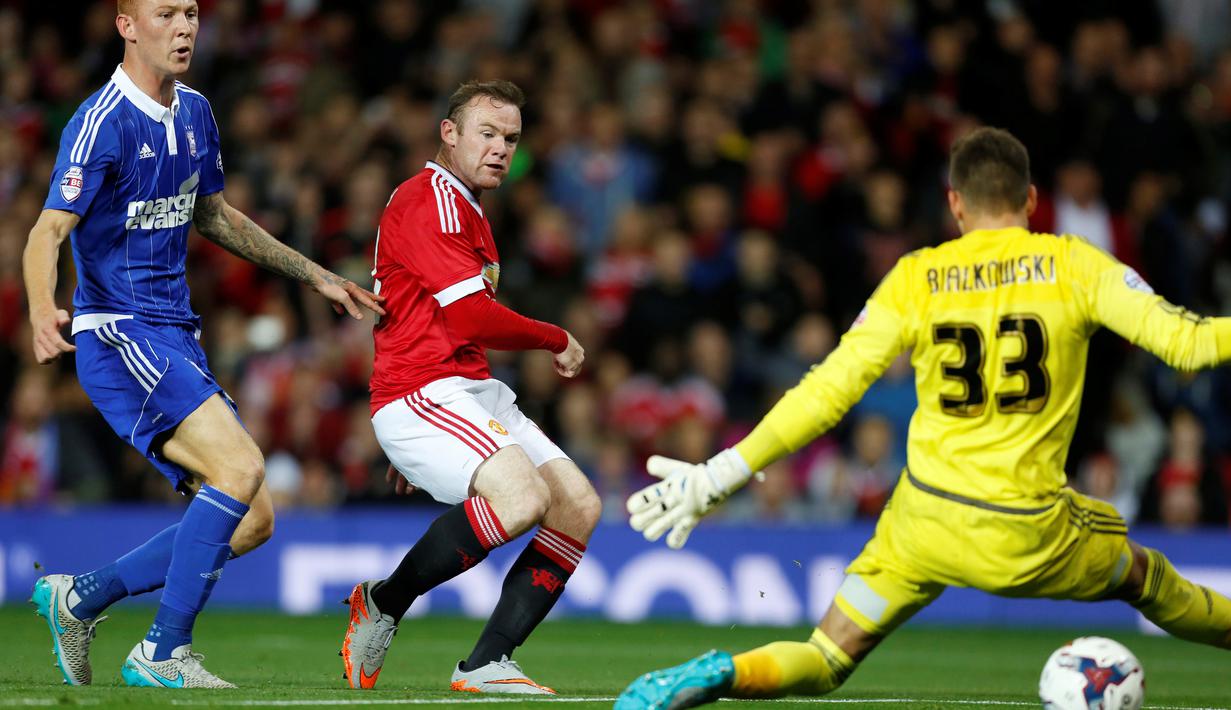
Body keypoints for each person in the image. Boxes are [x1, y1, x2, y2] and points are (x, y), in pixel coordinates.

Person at [616, 127, 1231, 709]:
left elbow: (827, 391)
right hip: (1032, 534)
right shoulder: (1076, 266)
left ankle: (726, 671)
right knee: (1149, 578)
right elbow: (1189, 344)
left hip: (923, 525)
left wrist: (720, 474)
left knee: (825, 655)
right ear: (1033, 200)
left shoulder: (917, 276)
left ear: (955, 204)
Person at [24, 0, 383, 690]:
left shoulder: (195, 113)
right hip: (119, 332)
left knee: (251, 524)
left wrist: (316, 276)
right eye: (166, 14)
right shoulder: (100, 122)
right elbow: (47, 230)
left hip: (176, 336)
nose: (186, 26)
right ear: (126, 25)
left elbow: (212, 214)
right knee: (242, 469)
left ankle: (80, 598)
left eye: (191, 12)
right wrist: (45, 308)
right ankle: (161, 653)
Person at [339, 79, 600, 694]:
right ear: (448, 134)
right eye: (486, 133)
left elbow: (442, 316)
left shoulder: (468, 210)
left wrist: (438, 457)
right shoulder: (433, 201)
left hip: (462, 392)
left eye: (510, 138)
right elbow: (471, 318)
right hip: (422, 389)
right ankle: (383, 603)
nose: (501, 149)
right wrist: (555, 336)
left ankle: (486, 664)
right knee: (522, 499)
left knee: (578, 506)